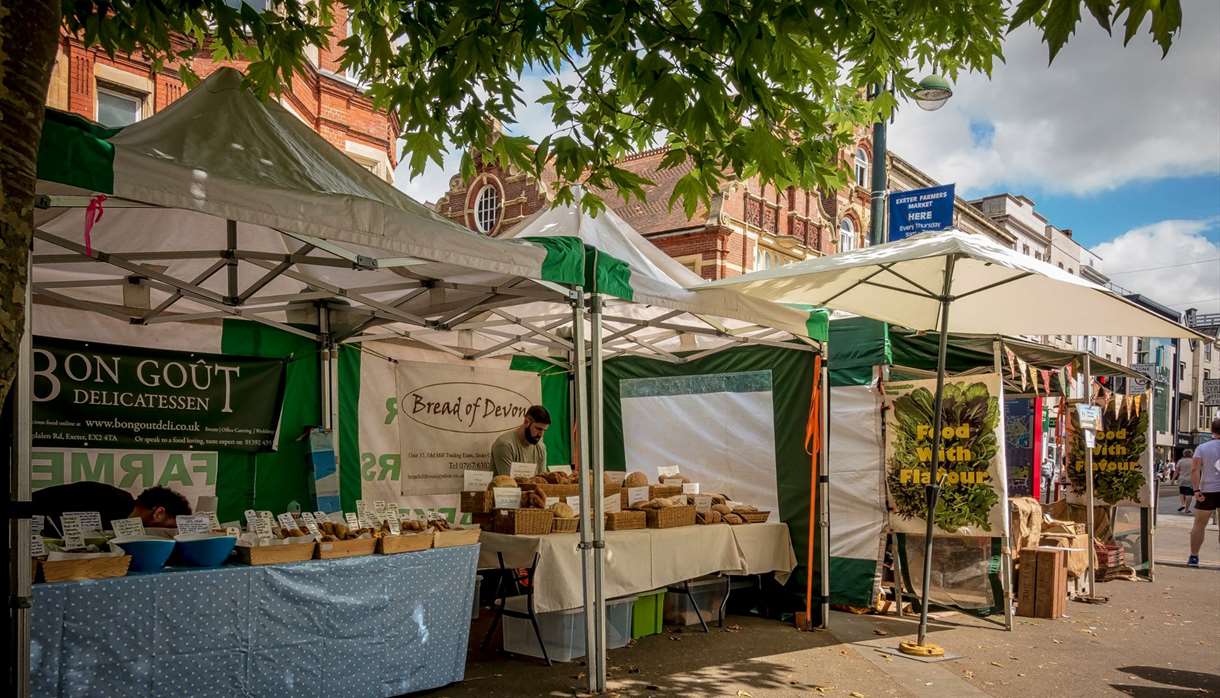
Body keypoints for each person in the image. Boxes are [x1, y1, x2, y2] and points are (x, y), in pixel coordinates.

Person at [32, 482, 191, 537]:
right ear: (159, 513)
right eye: (169, 528)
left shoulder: (121, 505)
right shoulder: (115, 501)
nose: (167, 533)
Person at [1187, 418, 1220, 567]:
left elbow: (1195, 470)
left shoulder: (1202, 447)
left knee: (1199, 524)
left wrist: (1196, 490)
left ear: (1212, 430)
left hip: (1207, 490)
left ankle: (1194, 557)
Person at [490, 405, 550, 476]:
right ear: (526, 422)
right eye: (538, 429)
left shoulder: (541, 447)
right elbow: (509, 484)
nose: (541, 434)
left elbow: (542, 481)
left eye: (544, 430)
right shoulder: (504, 445)